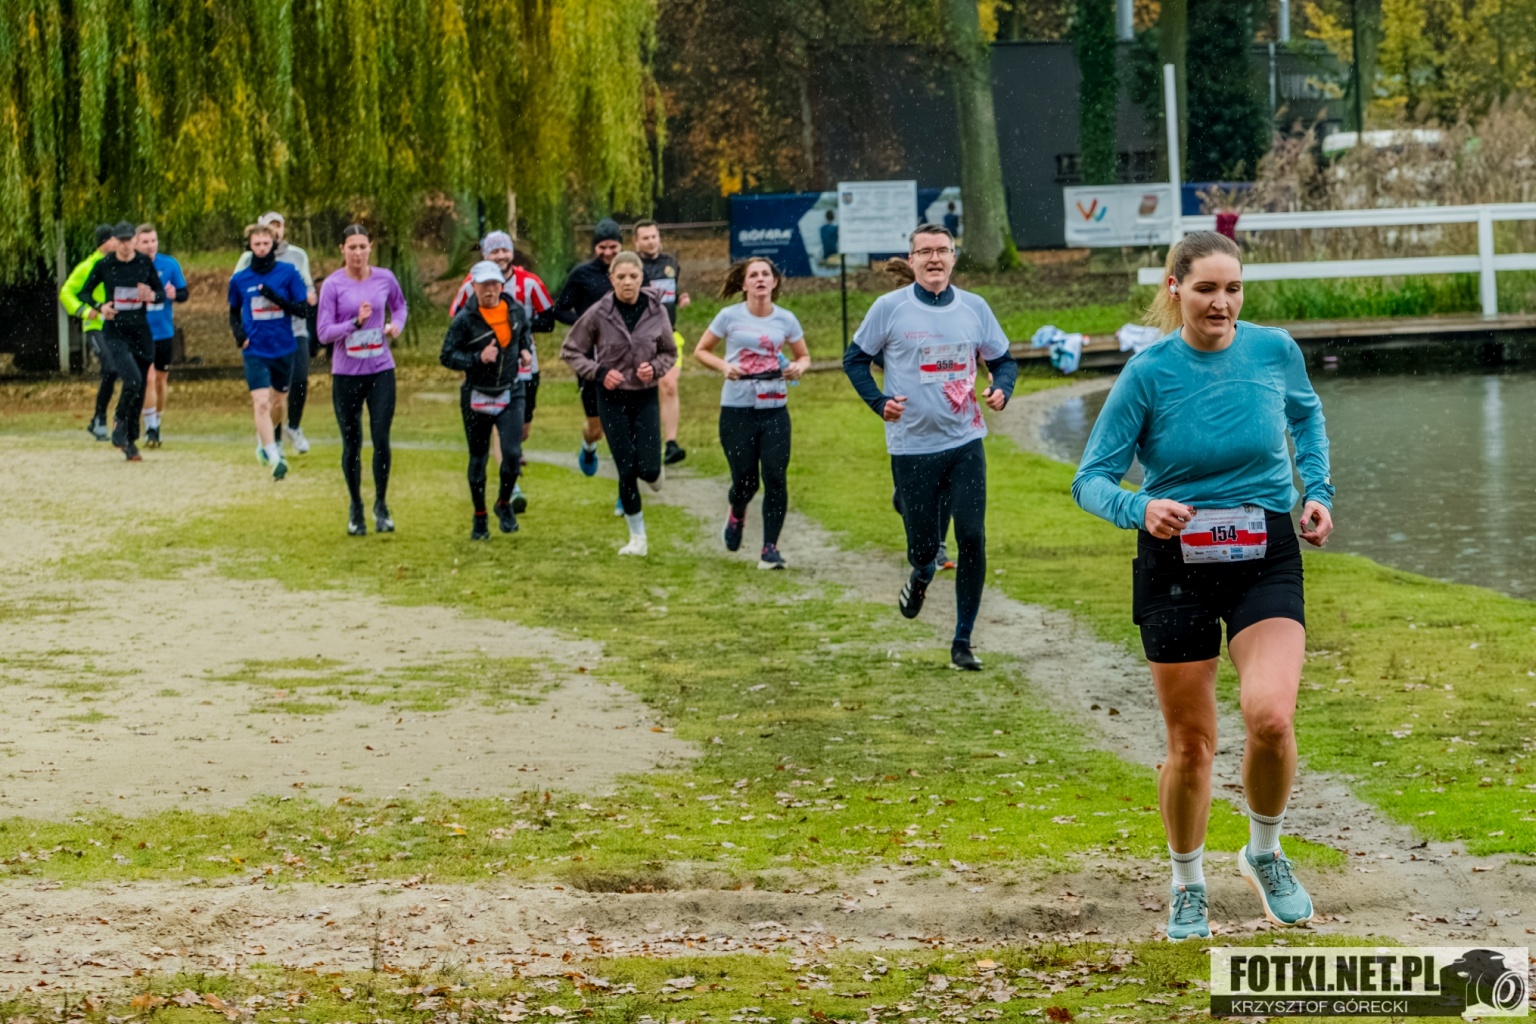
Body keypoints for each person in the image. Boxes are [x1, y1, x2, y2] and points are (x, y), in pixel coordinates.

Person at [1071, 231, 1334, 941]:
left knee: (1271, 717)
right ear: (1175, 289)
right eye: (1207, 289)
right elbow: (1090, 478)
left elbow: (1307, 416)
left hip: (1264, 553)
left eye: (1233, 288)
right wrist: (1140, 508)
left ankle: (1264, 851)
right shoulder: (1148, 373)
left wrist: (1317, 490)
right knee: (1190, 744)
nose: (1222, 303)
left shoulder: (1273, 351)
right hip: (1175, 562)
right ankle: (1187, 883)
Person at [843, 224, 1016, 672]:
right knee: (924, 550)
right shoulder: (890, 309)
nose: (934, 258)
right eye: (925, 252)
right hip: (912, 446)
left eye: (942, 250)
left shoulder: (974, 307)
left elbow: (1002, 361)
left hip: (965, 441)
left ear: (954, 257)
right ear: (913, 260)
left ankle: (963, 641)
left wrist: (1002, 388)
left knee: (972, 537)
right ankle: (921, 572)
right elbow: (854, 359)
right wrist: (878, 402)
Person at [693, 257, 809, 570]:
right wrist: (724, 366)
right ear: (744, 284)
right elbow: (701, 350)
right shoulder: (729, 316)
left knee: (775, 476)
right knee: (745, 481)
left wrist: (798, 367)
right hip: (737, 408)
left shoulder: (786, 319)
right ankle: (737, 511)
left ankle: (770, 549)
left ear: (774, 282)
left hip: (775, 408)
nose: (760, 279)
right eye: (753, 275)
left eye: (765, 274)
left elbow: (803, 356)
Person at [560, 251, 676, 556]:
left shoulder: (656, 310)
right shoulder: (599, 312)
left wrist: (655, 368)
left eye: (633, 276)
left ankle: (654, 471)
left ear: (641, 279)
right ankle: (638, 538)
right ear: (611, 279)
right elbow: (571, 351)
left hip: (645, 394)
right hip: (611, 398)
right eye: (621, 277)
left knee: (648, 470)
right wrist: (599, 372)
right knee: (626, 467)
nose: (627, 282)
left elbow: (669, 352)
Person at [449, 231, 555, 514]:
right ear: (485, 255)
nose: (500, 256)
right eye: (494, 252)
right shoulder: (470, 285)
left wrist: (520, 330)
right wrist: (478, 350)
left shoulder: (529, 283)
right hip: (489, 371)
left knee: (522, 430)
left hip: (526, 367)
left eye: (504, 250)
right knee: (499, 424)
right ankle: (512, 485)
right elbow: (458, 321)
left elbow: (548, 320)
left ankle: (511, 461)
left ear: (512, 252)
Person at [317, 224, 408, 535]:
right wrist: (354, 324)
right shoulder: (333, 285)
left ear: (371, 248)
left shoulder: (385, 278)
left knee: (381, 438)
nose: (357, 252)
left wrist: (396, 325)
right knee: (352, 443)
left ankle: (381, 505)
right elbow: (323, 333)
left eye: (362, 246)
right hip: (346, 374)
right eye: (351, 247)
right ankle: (356, 507)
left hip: (381, 370)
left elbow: (400, 306)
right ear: (342, 250)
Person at [440, 261, 533, 540]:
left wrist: (525, 350)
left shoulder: (515, 310)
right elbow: (447, 356)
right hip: (476, 393)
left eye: (494, 284)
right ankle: (479, 517)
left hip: (511, 390)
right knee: (478, 459)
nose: (490, 290)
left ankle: (503, 503)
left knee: (512, 455)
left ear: (501, 286)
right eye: (484, 285)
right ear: (474, 287)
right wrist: (478, 358)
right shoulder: (464, 320)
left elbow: (523, 333)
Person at [72, 221, 166, 461]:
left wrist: (151, 295)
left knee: (140, 388)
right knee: (133, 380)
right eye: (120, 241)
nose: (125, 245)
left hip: (141, 332)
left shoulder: (144, 263)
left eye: (128, 240)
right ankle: (119, 419)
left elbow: (161, 294)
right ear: (114, 241)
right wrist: (99, 306)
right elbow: (83, 292)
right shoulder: (105, 264)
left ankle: (130, 441)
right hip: (115, 332)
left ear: (134, 240)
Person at [229, 221, 308, 480]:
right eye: (257, 244)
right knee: (261, 402)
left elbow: (302, 310)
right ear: (249, 246)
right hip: (255, 349)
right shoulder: (240, 279)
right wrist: (239, 335)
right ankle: (274, 457)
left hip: (283, 346)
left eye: (266, 243)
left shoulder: (288, 273)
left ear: (273, 245)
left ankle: (265, 440)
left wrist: (276, 298)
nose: (262, 248)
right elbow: (234, 312)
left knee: (277, 402)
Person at [553, 218, 622, 477]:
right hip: (590, 359)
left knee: (620, 424)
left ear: (621, 246)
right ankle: (589, 444)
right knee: (597, 429)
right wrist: (585, 324)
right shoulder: (582, 274)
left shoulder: (630, 272)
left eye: (613, 247)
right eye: (602, 247)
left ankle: (625, 483)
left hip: (623, 355)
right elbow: (560, 310)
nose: (608, 252)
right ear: (594, 247)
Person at [634, 220, 691, 466]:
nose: (650, 241)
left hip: (669, 336)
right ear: (636, 242)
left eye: (653, 236)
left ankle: (671, 444)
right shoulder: (632, 266)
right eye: (645, 238)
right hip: (641, 338)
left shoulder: (671, 263)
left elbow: (670, 291)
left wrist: (680, 297)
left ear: (659, 237)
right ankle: (640, 442)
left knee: (668, 385)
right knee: (642, 391)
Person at [134, 223, 189, 448]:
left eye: (153, 241)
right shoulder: (129, 266)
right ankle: (150, 428)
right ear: (136, 243)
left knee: (160, 379)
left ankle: (157, 421)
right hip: (140, 332)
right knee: (147, 379)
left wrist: (175, 294)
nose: (150, 245)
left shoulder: (169, 264)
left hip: (164, 331)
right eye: (145, 241)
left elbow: (184, 293)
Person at [60, 224, 117, 441]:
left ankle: (107, 420)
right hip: (96, 327)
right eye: (114, 238)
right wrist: (84, 311)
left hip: (117, 327)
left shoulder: (120, 264)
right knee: (110, 368)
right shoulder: (88, 266)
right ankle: (100, 419)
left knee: (121, 371)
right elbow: (66, 292)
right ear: (105, 242)